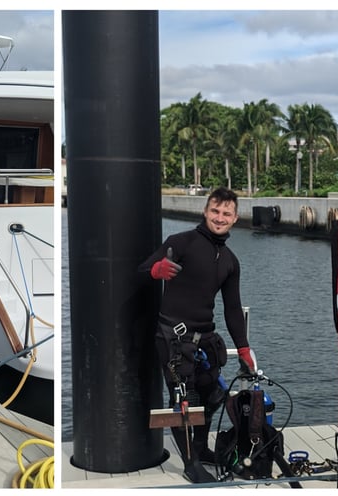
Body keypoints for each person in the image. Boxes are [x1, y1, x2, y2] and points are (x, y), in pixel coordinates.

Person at [139, 186, 257, 483]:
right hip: (173, 336)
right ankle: (191, 464)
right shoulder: (181, 243)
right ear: (205, 211)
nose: (219, 217)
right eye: (215, 211)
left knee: (213, 396)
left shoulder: (230, 260)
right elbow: (140, 270)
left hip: (205, 338)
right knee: (183, 401)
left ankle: (202, 448)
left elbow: (232, 309)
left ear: (235, 218)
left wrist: (243, 349)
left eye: (226, 213)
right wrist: (156, 270)